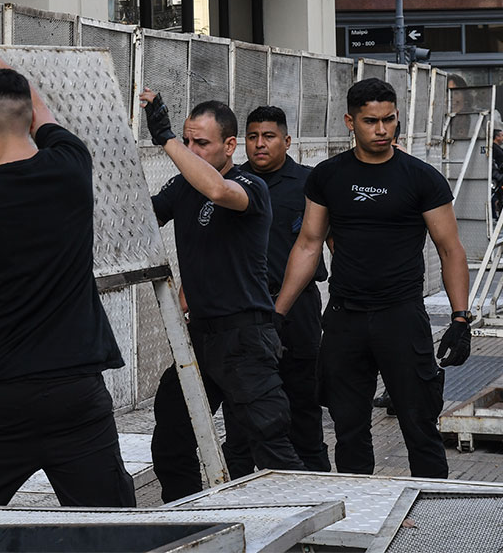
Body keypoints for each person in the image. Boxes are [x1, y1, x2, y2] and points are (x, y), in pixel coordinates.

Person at [0, 35, 136, 509]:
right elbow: (42, 108)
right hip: (76, 394)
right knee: (110, 525)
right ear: (25, 119)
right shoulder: (72, 167)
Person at [275, 77, 471, 478]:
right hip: (345, 317)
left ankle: (434, 517)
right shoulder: (328, 176)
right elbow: (309, 244)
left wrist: (460, 317)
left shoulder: (421, 178)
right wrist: (277, 313)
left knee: (420, 427)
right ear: (350, 121)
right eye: (370, 121)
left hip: (401, 316)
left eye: (389, 120)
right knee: (349, 432)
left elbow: (450, 249)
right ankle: (358, 521)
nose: (382, 130)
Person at [140, 90, 303, 503]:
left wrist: (167, 140)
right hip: (199, 337)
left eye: (202, 143)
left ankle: (304, 530)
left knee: (269, 444)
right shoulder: (182, 186)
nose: (191, 150)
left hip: (244, 337)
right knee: (172, 439)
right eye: (187, 140)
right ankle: (191, 522)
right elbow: (141, 218)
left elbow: (217, 191)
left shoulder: (249, 185)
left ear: (230, 146)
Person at [222, 106, 331, 476]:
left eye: (268, 136)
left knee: (302, 404)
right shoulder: (231, 183)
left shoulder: (310, 183)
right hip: (244, 311)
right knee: (242, 413)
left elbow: (331, 242)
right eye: (252, 137)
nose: (259, 144)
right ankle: (241, 494)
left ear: (287, 141)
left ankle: (315, 489)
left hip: (297, 310)